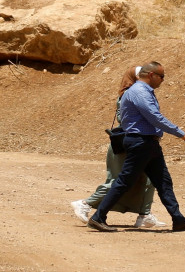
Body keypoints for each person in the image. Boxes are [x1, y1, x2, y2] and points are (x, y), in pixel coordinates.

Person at [87, 61, 185, 233]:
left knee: (163, 182)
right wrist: (182, 134)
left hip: (148, 143)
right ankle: (98, 217)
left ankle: (178, 219)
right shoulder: (139, 92)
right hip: (140, 142)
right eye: (161, 76)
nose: (163, 80)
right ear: (151, 75)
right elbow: (155, 117)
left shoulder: (142, 92)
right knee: (124, 181)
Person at [70, 66, 166, 228]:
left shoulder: (141, 95)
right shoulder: (127, 96)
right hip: (128, 145)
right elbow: (126, 120)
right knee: (119, 181)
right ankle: (85, 204)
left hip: (140, 144)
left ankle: (144, 214)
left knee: (147, 179)